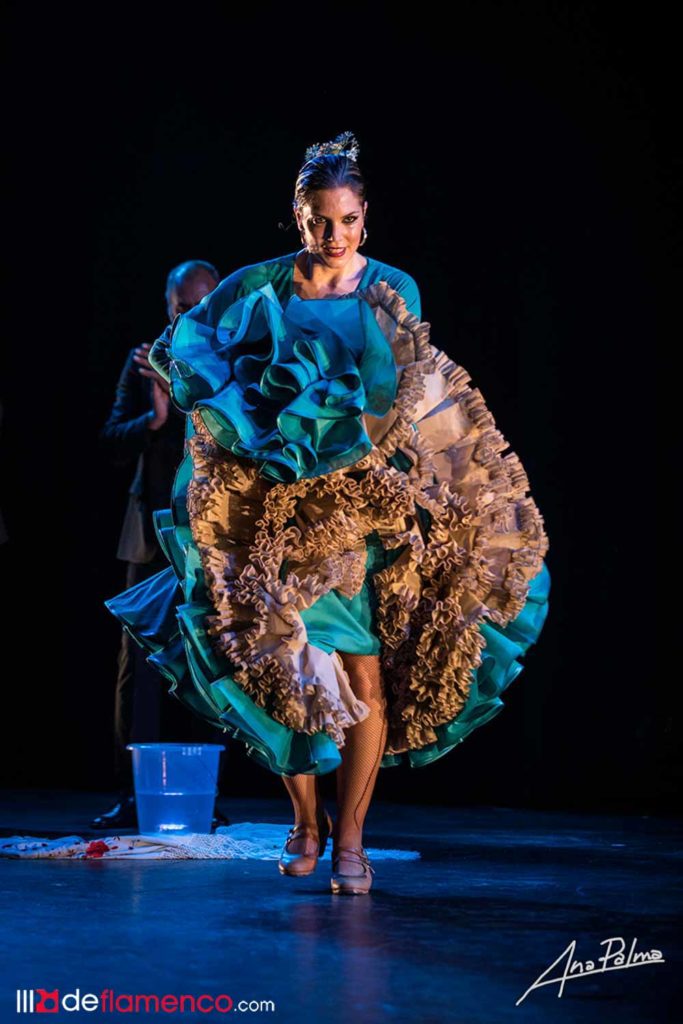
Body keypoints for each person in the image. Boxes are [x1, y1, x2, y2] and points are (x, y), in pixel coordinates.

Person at [104, 131, 551, 893]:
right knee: (289, 672)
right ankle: (305, 824)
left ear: (364, 217)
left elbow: (394, 390)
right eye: (318, 221)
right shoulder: (258, 284)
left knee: (363, 675)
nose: (333, 234)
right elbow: (195, 344)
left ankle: (350, 840)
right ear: (297, 216)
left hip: (358, 507)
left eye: (345, 220)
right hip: (275, 507)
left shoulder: (392, 288)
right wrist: (232, 414)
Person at [94, 260, 231, 831]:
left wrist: (177, 396)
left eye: (201, 306)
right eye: (181, 308)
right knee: (137, 666)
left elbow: (232, 435)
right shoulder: (143, 361)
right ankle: (132, 794)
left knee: (209, 658)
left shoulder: (229, 361)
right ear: (167, 306)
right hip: (149, 533)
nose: (190, 316)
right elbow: (110, 441)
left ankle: (206, 795)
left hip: (209, 532)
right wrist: (152, 419)